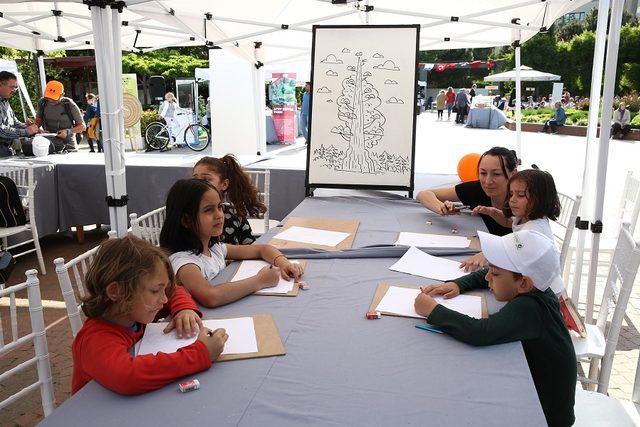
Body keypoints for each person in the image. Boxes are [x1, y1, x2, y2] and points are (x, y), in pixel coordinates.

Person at [414, 230, 575, 426]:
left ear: (523, 283)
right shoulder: (539, 287)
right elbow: (486, 274)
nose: (489, 277)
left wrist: (433, 311)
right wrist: (458, 284)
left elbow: (480, 332)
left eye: (496, 273)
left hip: (544, 414)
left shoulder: (529, 308)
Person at [71, 236, 228, 395]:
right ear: (116, 292)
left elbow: (175, 292)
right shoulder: (95, 339)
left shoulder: (133, 310)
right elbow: (128, 377)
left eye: (163, 289)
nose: (164, 299)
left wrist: (183, 309)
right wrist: (200, 354)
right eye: (155, 291)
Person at [159, 179, 304, 308]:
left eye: (219, 206)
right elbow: (211, 297)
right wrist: (260, 280)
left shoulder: (215, 248)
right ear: (186, 220)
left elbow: (262, 249)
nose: (219, 215)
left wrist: (283, 263)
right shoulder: (185, 263)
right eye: (208, 210)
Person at [460, 169, 563, 277]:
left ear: (540, 198)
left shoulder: (533, 231)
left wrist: (485, 254)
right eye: (511, 194)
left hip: (543, 289)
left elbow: (506, 249)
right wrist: (493, 212)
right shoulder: (526, 218)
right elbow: (509, 222)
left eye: (521, 195)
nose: (512, 200)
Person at [416, 146, 517, 237]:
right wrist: (442, 208)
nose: (487, 181)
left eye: (496, 174)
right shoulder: (476, 189)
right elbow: (422, 195)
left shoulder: (527, 199)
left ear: (513, 174)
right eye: (483, 173)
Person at [192, 154, 266, 245]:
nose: (198, 184)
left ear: (224, 184)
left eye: (206, 179)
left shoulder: (235, 216)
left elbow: (251, 247)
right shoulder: (188, 216)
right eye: (195, 179)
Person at [35, 80, 85, 152]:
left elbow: (82, 127)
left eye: (54, 98)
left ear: (62, 94)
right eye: (49, 97)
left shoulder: (69, 104)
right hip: (48, 143)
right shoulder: (42, 102)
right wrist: (35, 127)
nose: (51, 100)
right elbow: (38, 121)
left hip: (68, 144)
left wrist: (68, 131)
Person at [0, 71, 39, 157]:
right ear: (0, 85)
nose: (14, 90)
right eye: (12, 87)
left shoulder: (5, 101)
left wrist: (32, 128)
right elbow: (1, 130)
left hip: (6, 150)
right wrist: (26, 131)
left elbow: (14, 123)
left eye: (15, 87)